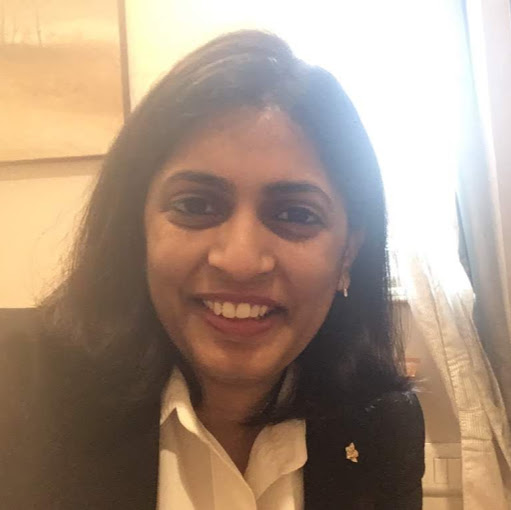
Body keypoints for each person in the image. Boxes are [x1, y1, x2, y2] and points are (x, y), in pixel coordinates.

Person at [1, 30, 424, 509]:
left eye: (296, 214)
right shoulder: (16, 391)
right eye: (195, 205)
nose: (240, 261)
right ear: (135, 227)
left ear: (348, 252)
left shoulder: (384, 423)